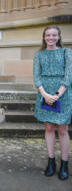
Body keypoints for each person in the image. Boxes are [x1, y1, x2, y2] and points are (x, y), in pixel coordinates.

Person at [33, 25, 71, 180]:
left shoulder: (67, 53)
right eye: (48, 35)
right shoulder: (39, 55)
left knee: (62, 129)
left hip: (62, 94)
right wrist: (45, 94)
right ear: (44, 37)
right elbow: (36, 77)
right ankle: (50, 162)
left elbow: (68, 76)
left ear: (59, 37)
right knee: (48, 127)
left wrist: (56, 95)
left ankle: (64, 163)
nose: (51, 38)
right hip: (44, 93)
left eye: (54, 35)